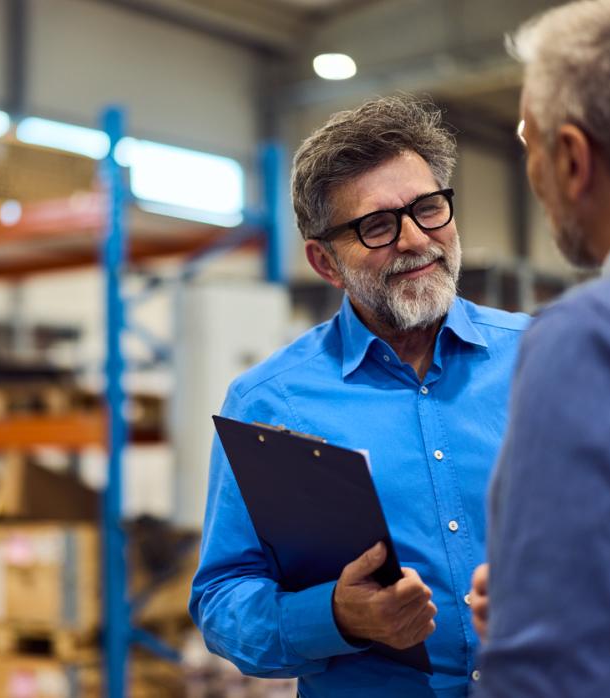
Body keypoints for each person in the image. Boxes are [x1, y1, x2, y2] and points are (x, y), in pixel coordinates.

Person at [189, 94, 529, 698]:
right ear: (325, 262)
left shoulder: (542, 358)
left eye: (428, 209)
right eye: (376, 226)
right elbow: (222, 602)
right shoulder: (272, 404)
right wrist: (336, 618)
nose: (415, 239)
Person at [469, 1, 610, 696]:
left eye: (527, 139)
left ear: (571, 157)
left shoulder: (590, 337)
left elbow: (550, 678)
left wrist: (538, 617)